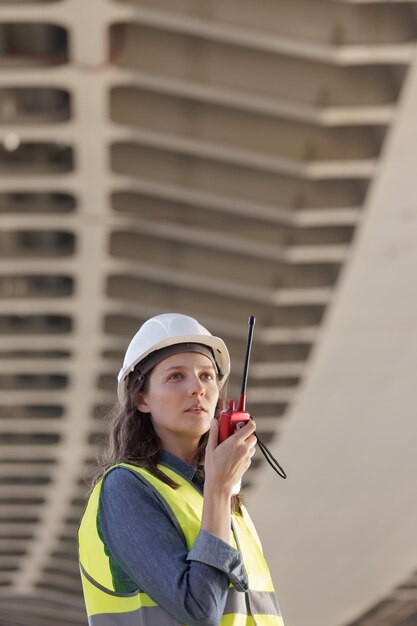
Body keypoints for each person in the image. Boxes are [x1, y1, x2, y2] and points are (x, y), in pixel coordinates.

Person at [78, 313, 284, 626]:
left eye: (207, 376)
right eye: (176, 376)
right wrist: (218, 490)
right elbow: (199, 611)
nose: (197, 389)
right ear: (142, 398)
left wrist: (219, 490)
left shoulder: (221, 497)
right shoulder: (125, 488)